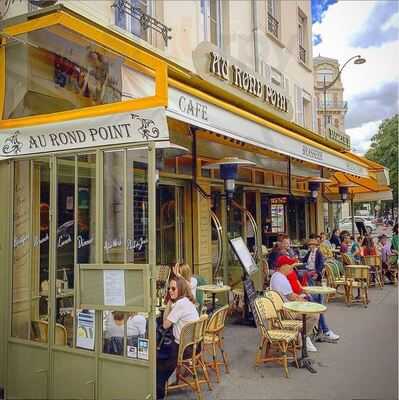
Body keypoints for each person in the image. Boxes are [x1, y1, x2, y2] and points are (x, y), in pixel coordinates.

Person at [156, 277, 199, 399]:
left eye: (173, 288)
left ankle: (158, 392)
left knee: (158, 359)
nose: (170, 290)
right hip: (193, 345)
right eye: (169, 288)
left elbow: (165, 324)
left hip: (183, 348)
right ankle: (163, 384)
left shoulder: (179, 305)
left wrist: (169, 303)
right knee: (160, 354)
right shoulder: (186, 301)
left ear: (180, 289)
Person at [270, 256, 319, 352]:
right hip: (286, 311)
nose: (292, 267)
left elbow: (291, 295)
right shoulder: (280, 278)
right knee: (315, 314)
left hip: (284, 308)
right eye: (290, 265)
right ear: (284, 266)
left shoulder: (277, 276)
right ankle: (304, 337)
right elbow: (291, 297)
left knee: (310, 303)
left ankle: (302, 336)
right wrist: (304, 301)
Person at [286, 269, 339, 341]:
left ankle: (323, 330)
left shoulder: (292, 272)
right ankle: (324, 330)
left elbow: (299, 285)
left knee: (319, 297)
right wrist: (302, 295)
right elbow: (290, 294)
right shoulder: (287, 274)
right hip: (297, 300)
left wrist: (305, 292)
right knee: (317, 303)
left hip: (300, 295)